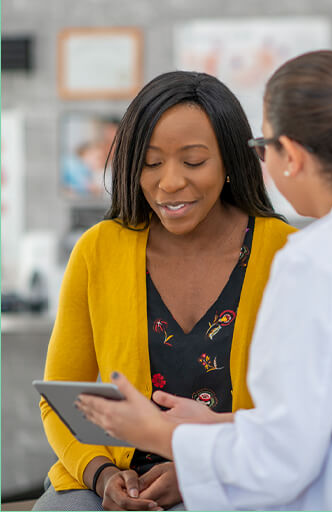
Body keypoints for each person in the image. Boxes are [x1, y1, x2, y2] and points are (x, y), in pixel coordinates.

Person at [77, 50, 332, 511]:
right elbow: (327, 416)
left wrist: (158, 433)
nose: (170, 182)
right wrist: (219, 425)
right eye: (152, 163)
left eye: (264, 147)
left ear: (288, 155)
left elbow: (276, 464)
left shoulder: (310, 260)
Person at [33, 71, 296, 511]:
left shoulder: (285, 253)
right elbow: (60, 400)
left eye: (193, 161)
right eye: (151, 163)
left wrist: (199, 467)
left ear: (231, 161)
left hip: (234, 471)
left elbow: (298, 413)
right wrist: (102, 476)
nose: (169, 182)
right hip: (106, 476)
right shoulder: (98, 250)